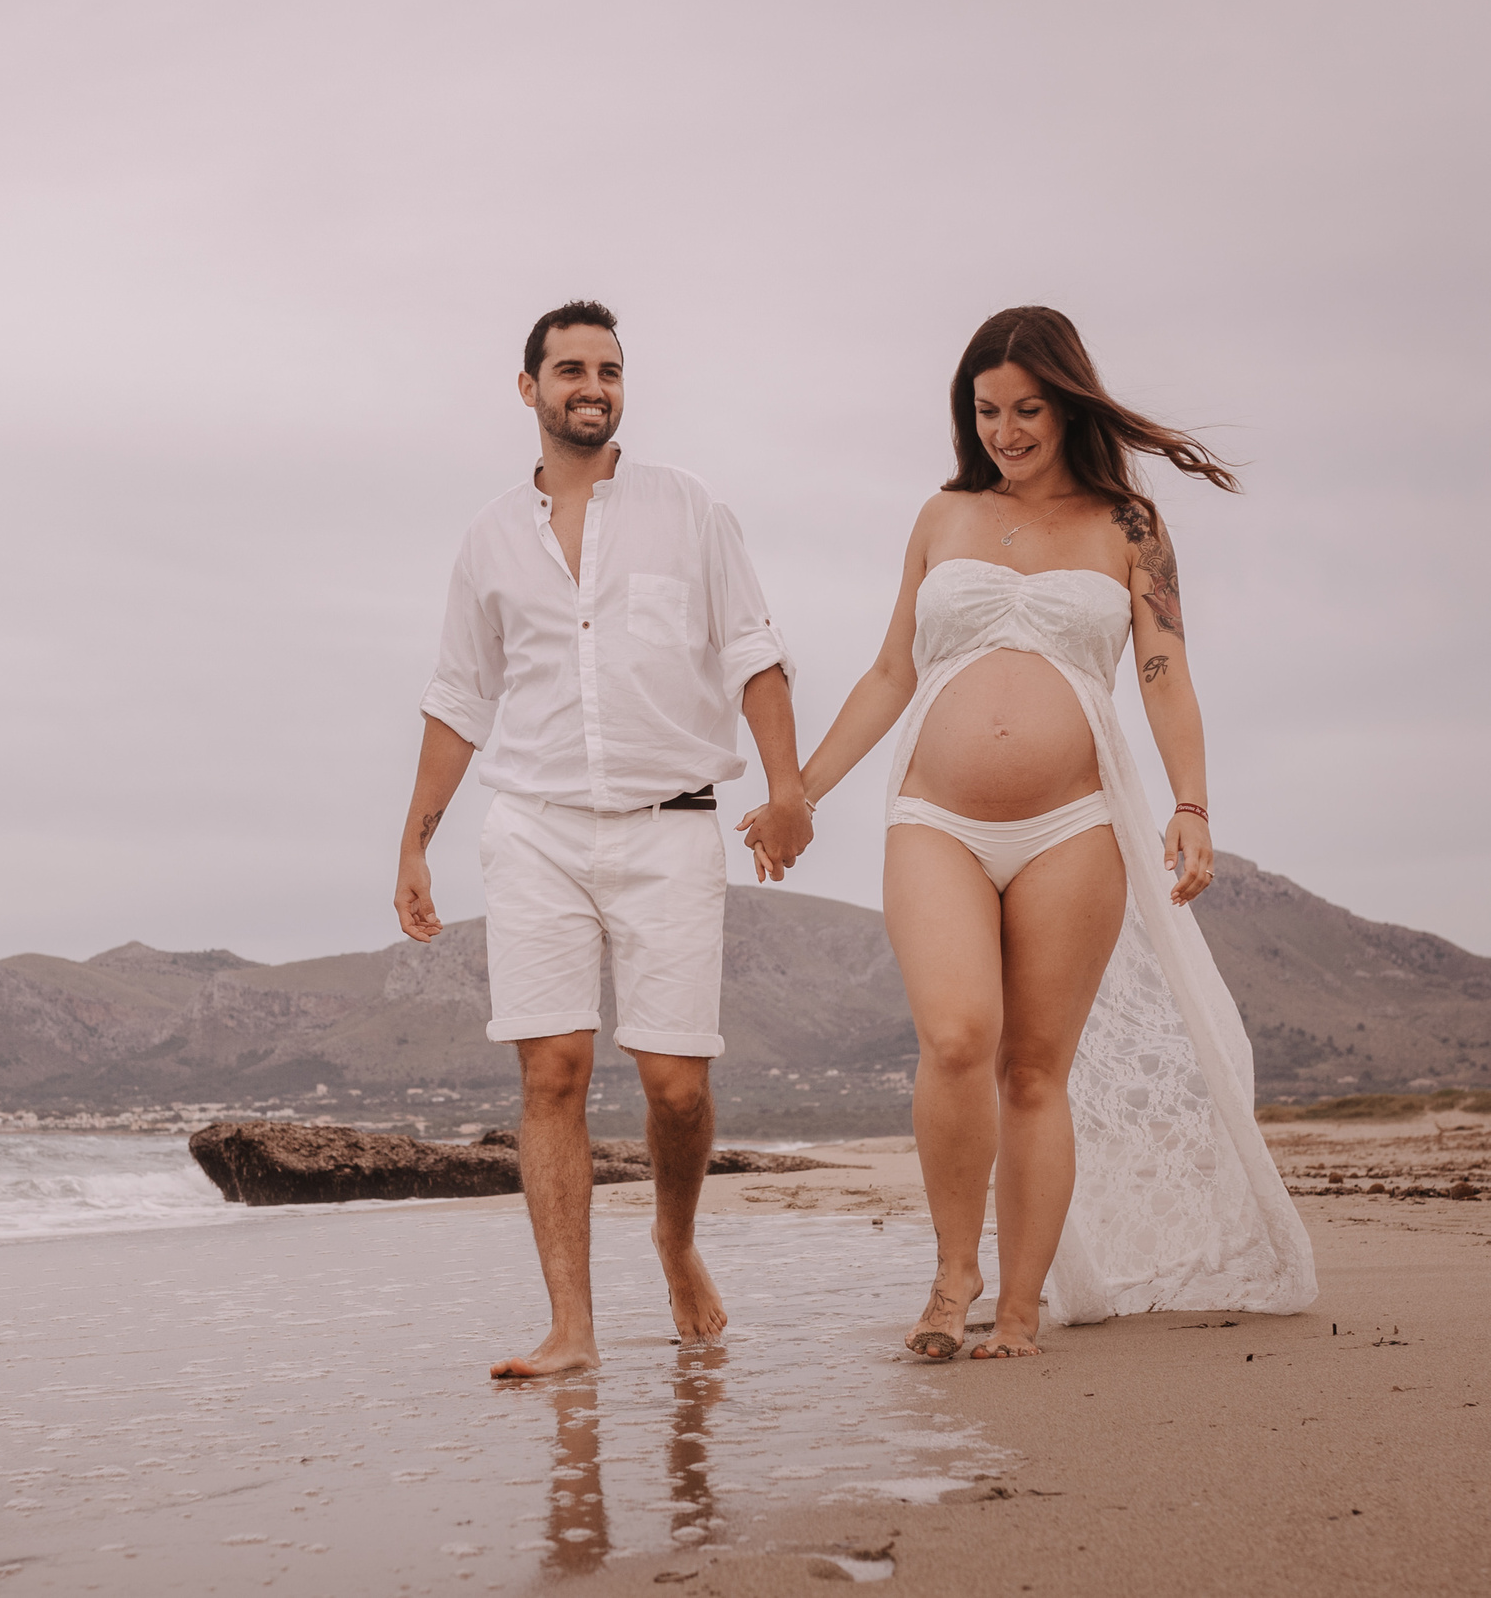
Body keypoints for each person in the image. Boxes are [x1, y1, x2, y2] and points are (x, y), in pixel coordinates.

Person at [764, 306, 1316, 1361]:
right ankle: (952, 1275)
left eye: (1026, 410)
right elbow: (891, 671)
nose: (1005, 431)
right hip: (935, 817)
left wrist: (1192, 803)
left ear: (1067, 405)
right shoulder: (942, 516)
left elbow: (1163, 673)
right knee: (956, 1037)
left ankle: (1018, 1308)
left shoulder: (1130, 526)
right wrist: (803, 793)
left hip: (1075, 824)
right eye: (986, 411)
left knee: (1031, 1070)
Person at [395, 300, 811, 1376]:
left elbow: (754, 652)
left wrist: (788, 789)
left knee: (675, 1084)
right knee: (553, 1073)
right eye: (571, 368)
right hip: (534, 829)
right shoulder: (488, 538)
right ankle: (570, 1328)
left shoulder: (689, 509)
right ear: (528, 387)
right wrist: (414, 844)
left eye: (609, 369)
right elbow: (458, 699)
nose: (593, 386)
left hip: (670, 827)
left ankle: (674, 1239)